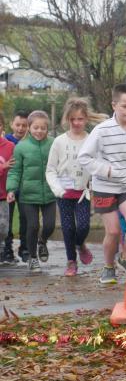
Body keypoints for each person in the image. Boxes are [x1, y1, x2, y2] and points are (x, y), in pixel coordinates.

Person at [78, 84, 126, 285]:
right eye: (125, 106)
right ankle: (108, 267)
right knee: (113, 231)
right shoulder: (102, 130)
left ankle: (125, 256)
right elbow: (84, 157)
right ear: (114, 105)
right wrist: (108, 171)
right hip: (104, 186)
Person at [46, 98, 105, 276]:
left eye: (80, 119)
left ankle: (80, 244)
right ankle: (71, 261)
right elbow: (50, 170)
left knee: (83, 227)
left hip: (83, 194)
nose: (77, 123)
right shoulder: (59, 141)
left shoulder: (91, 140)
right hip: (64, 194)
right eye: (73, 119)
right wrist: (58, 189)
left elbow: (97, 165)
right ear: (67, 119)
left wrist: (95, 184)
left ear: (86, 119)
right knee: (68, 227)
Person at [6, 111, 56, 271]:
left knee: (49, 225)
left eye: (43, 128)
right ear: (30, 127)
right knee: (32, 226)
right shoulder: (21, 147)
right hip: (27, 194)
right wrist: (11, 189)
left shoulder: (54, 144)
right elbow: (15, 171)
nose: (39, 131)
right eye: (35, 127)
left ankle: (42, 242)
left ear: (47, 128)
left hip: (49, 193)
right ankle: (33, 258)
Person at [3, 110, 29, 263]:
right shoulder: (6, 141)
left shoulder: (32, 141)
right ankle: (7, 249)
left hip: (26, 187)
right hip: (9, 186)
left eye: (24, 125)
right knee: (8, 219)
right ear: (12, 124)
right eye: (18, 125)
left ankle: (25, 248)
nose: (20, 128)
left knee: (25, 219)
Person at [0, 113, 15, 264]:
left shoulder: (10, 146)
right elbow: (5, 166)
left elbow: (14, 169)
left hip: (3, 194)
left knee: (4, 227)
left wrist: (13, 188)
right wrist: (2, 167)